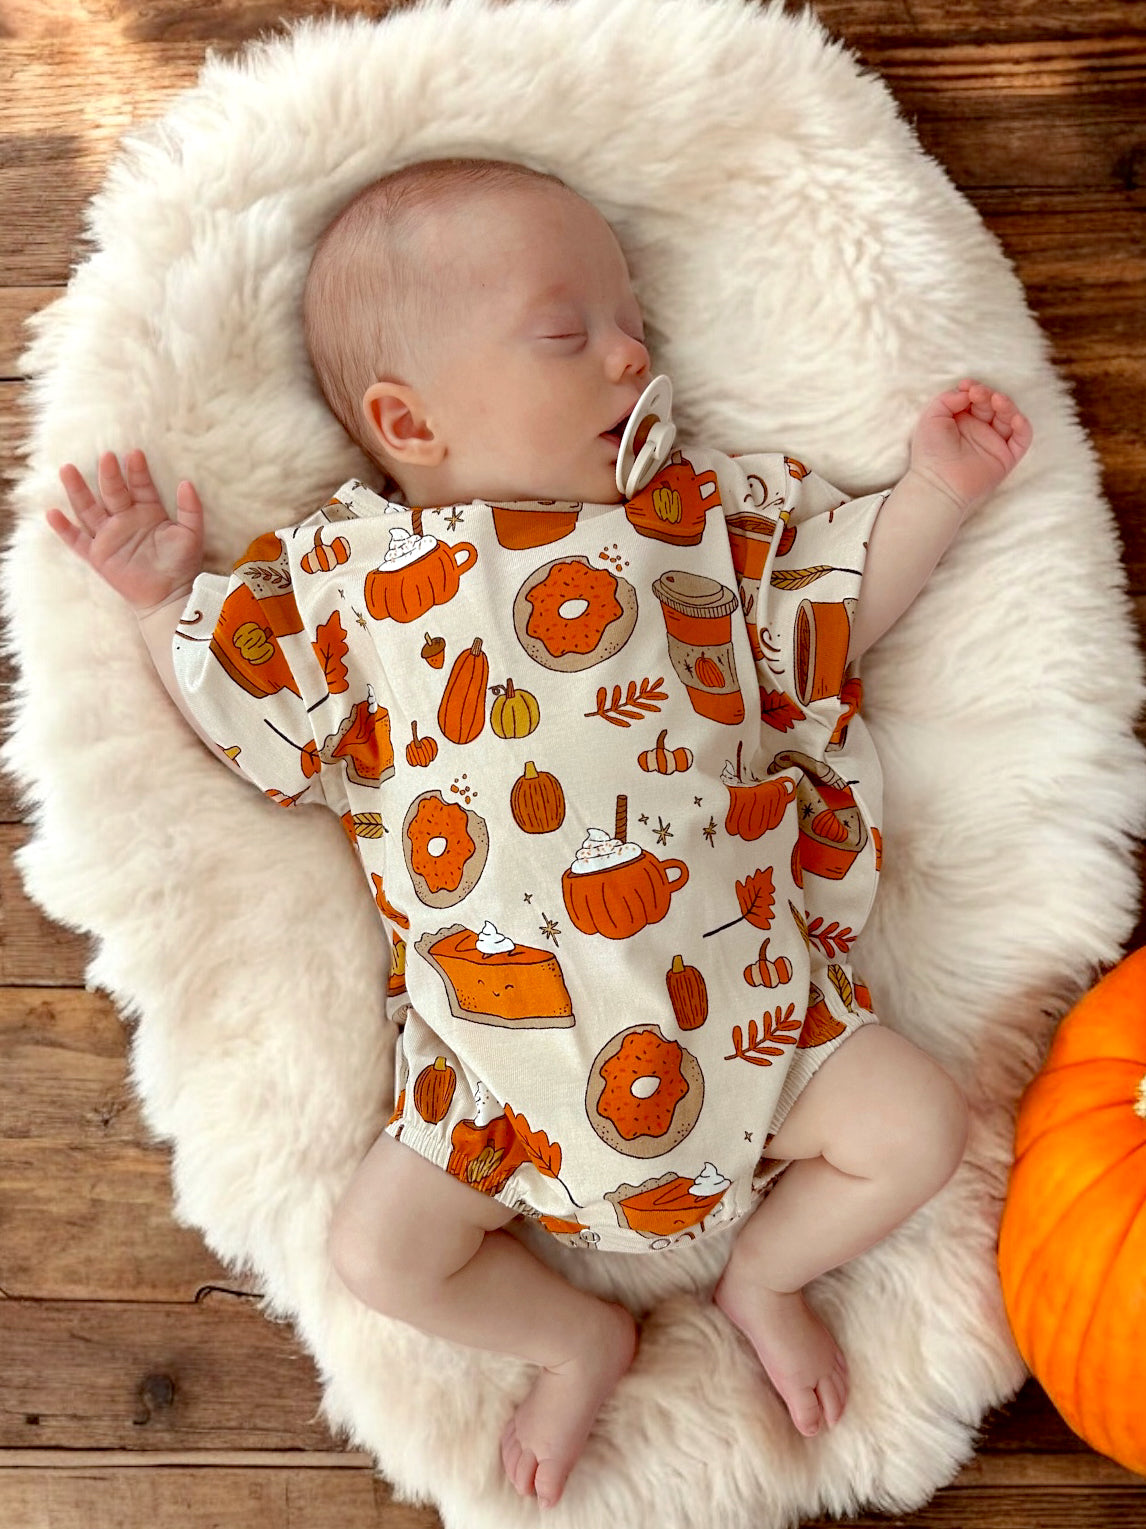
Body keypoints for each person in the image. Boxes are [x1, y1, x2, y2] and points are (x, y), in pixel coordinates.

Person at [45, 157, 1032, 1511]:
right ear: (409, 419)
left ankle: (767, 1272)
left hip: (752, 1022)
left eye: (633, 324)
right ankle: (574, 1337)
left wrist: (935, 493)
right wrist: (168, 603)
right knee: (380, 1256)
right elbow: (255, 719)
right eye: (569, 334)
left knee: (917, 1126)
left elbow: (830, 611)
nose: (630, 355)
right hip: (497, 1089)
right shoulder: (361, 587)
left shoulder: (689, 534)